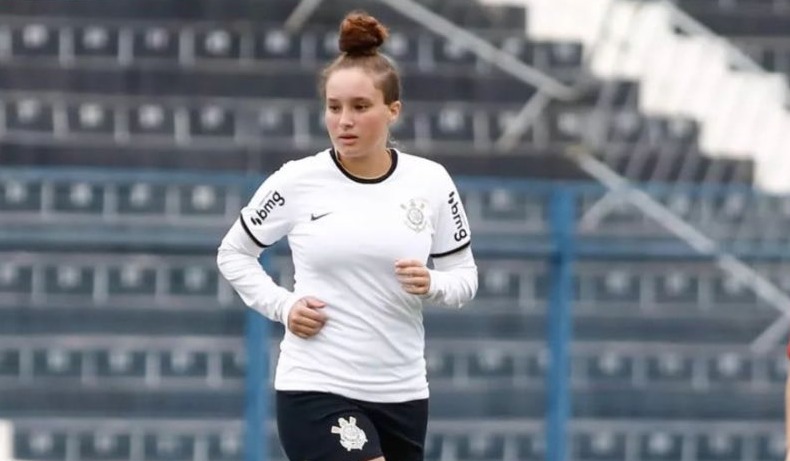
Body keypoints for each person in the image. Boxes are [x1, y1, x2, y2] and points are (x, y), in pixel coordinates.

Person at [216, 10, 478, 461]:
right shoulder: (297, 180)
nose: (344, 121)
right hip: (317, 386)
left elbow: (465, 277)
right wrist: (285, 305)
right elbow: (234, 253)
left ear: (392, 111)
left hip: (403, 390)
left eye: (360, 107)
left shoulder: (431, 182)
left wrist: (432, 283)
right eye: (334, 108)